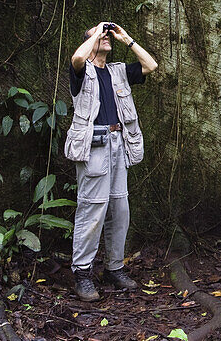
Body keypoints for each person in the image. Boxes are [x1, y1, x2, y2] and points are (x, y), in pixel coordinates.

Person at [65, 21, 158, 302]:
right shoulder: (82, 70)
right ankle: (82, 273)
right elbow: (78, 57)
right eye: (100, 35)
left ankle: (114, 269)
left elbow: (151, 65)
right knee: (92, 210)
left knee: (120, 209)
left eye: (107, 35)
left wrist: (126, 38)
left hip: (119, 144)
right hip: (93, 147)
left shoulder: (118, 71)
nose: (106, 37)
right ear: (89, 41)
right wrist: (93, 35)